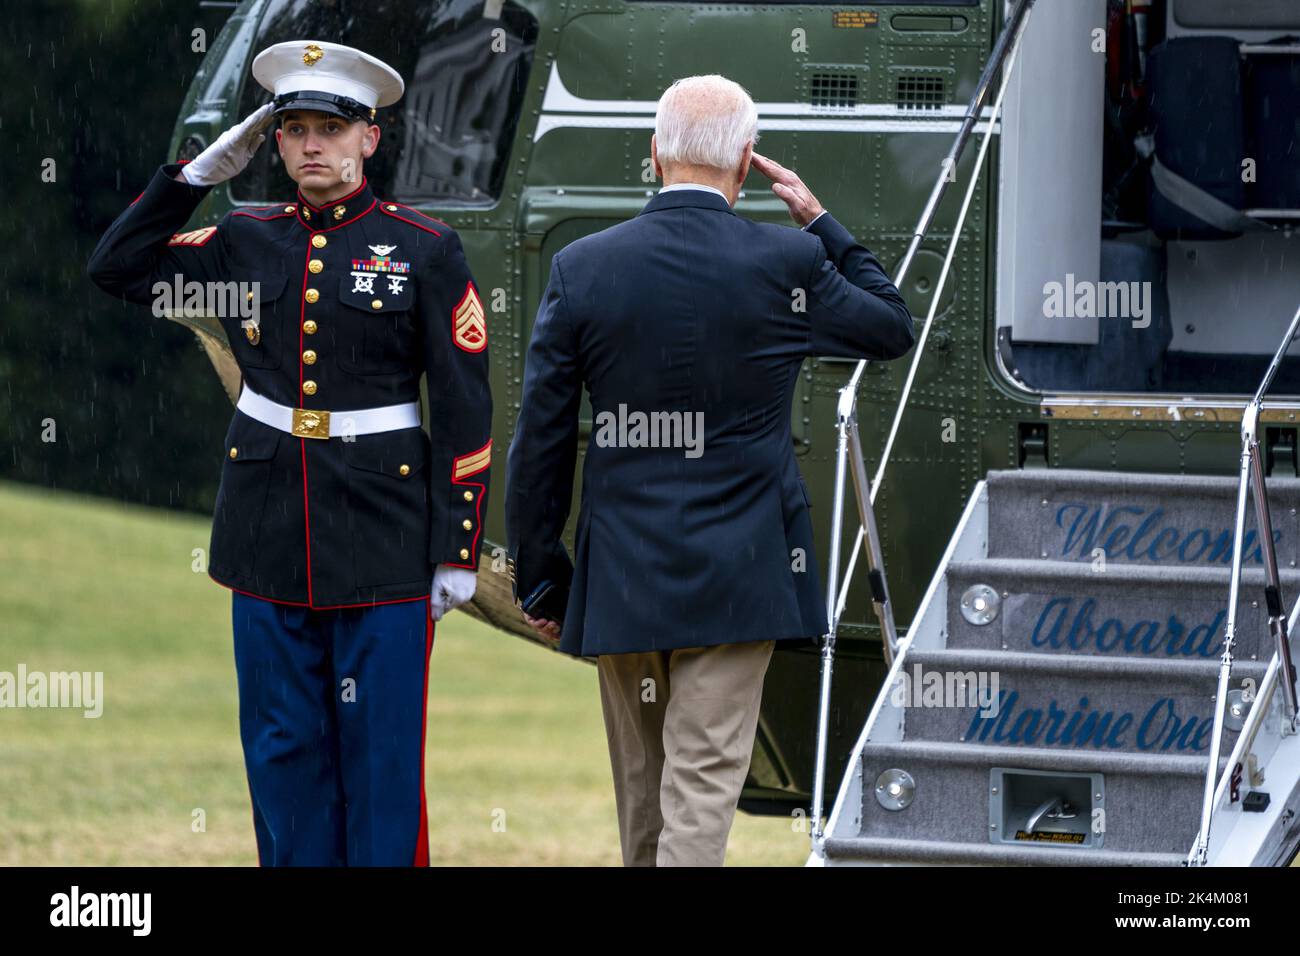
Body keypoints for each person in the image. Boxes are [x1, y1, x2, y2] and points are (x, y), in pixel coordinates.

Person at [86, 40, 492, 866]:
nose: (312, 145)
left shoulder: (424, 248)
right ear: (273, 142)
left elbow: (463, 407)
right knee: (281, 755)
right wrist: (193, 178)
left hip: (383, 535)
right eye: (294, 129)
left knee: (379, 762)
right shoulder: (244, 240)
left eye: (331, 129)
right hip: (267, 530)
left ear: (369, 140)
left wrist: (458, 547)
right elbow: (117, 269)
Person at [505, 74, 915, 867]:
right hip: (743, 569)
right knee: (702, 788)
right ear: (746, 161)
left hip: (624, 573)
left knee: (644, 794)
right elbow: (890, 326)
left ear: (655, 156)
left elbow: (542, 438)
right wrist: (822, 222)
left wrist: (541, 574)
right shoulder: (788, 260)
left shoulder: (584, 267)